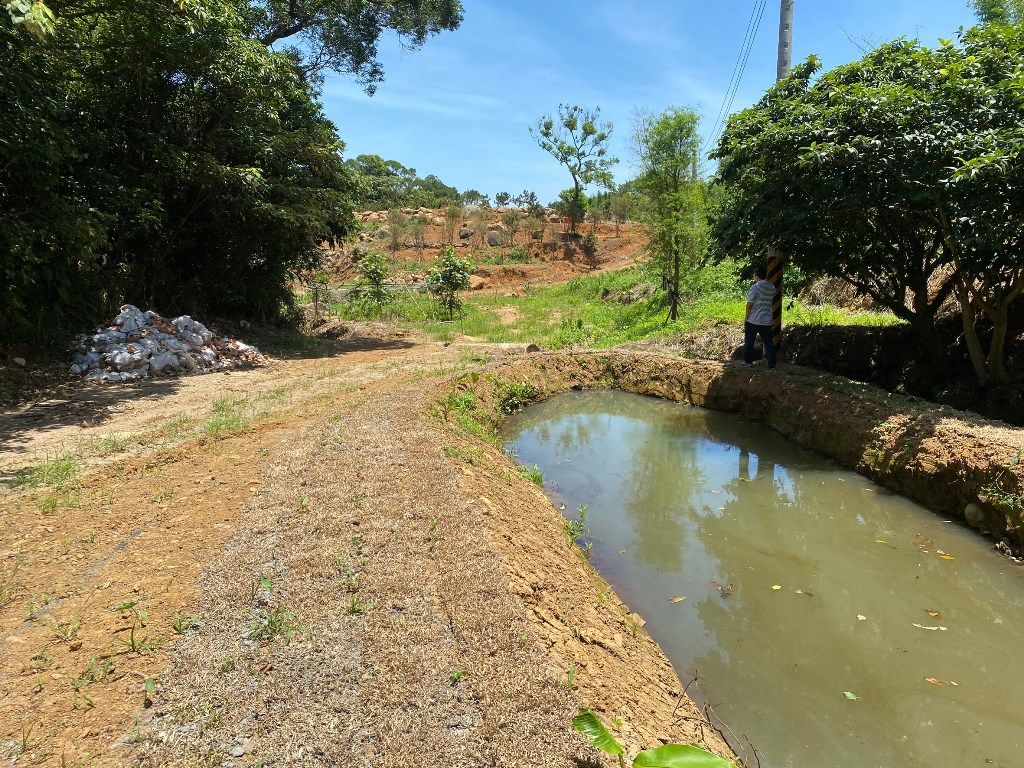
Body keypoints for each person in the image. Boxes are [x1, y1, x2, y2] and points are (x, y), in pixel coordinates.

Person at [744, 265, 777, 369]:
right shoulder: (772, 287)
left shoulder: (755, 287)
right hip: (767, 320)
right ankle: (772, 365)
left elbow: (750, 304)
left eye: (754, 275)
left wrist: (746, 318)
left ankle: (748, 363)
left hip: (754, 319)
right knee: (769, 343)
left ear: (756, 276)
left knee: (749, 342)